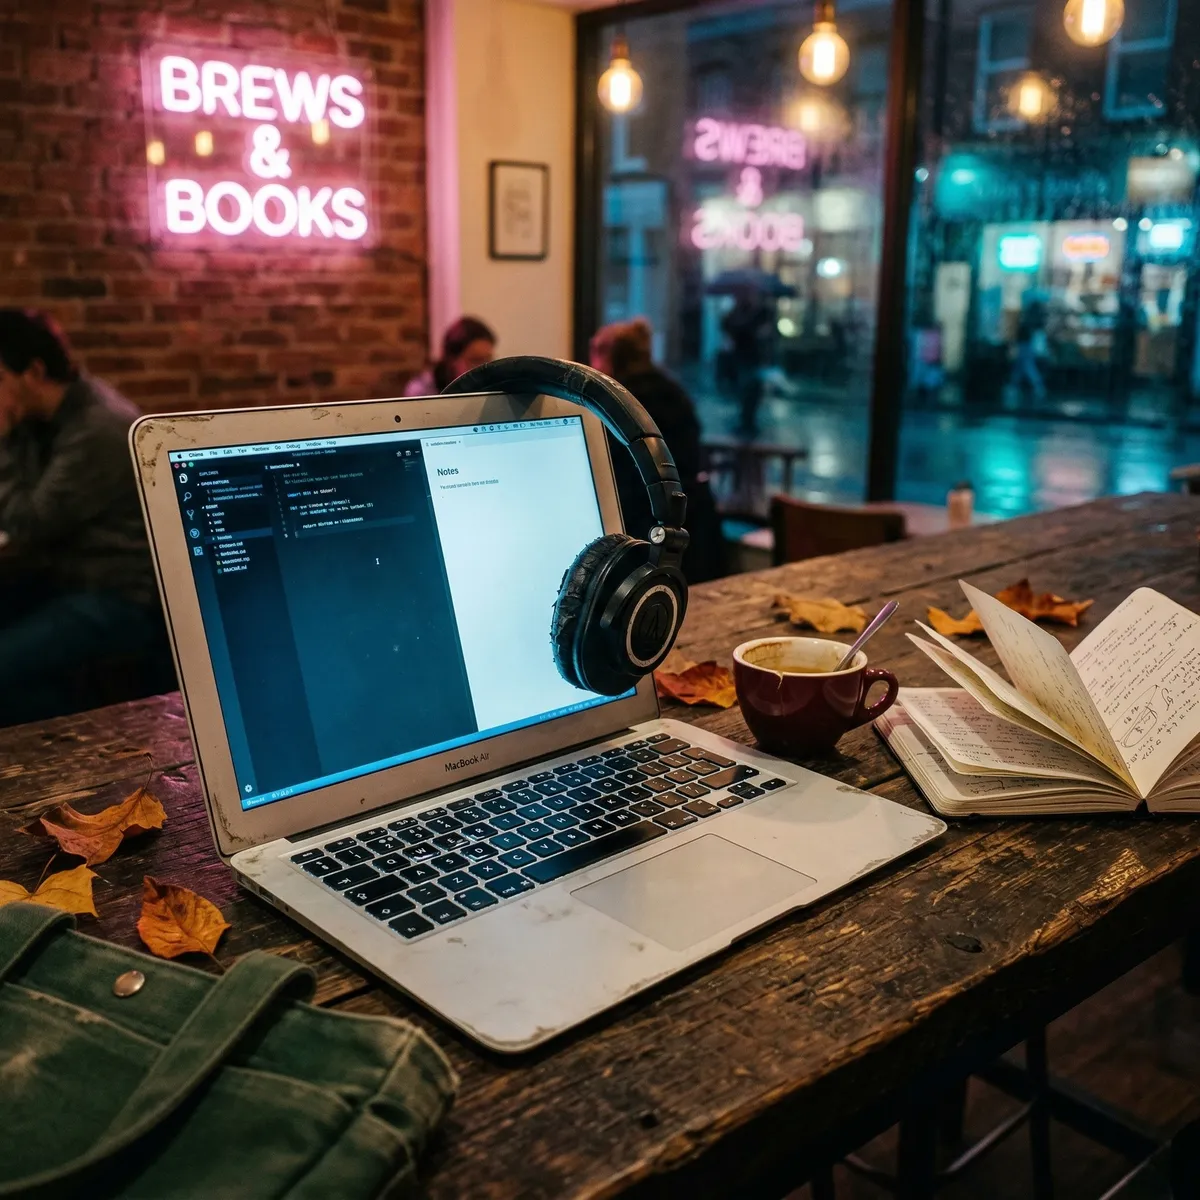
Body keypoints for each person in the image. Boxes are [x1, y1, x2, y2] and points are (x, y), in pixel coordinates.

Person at [0, 309, 166, 725]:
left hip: (120, 595)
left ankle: (74, 745)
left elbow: (28, 525)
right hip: (66, 578)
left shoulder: (97, 429)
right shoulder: (43, 420)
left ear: (33, 372)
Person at [589, 319, 725, 583]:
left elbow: (615, 480)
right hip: (690, 523)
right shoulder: (672, 392)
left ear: (606, 355)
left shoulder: (616, 403)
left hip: (640, 533)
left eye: (595, 351)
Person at [721, 290, 773, 434]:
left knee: (750, 390)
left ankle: (748, 422)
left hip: (750, 358)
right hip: (744, 358)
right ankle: (746, 421)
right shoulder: (741, 314)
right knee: (747, 390)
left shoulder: (754, 313)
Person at [405, 317, 497, 396]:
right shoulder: (421, 392)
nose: (485, 368)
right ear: (451, 360)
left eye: (488, 360)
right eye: (476, 360)